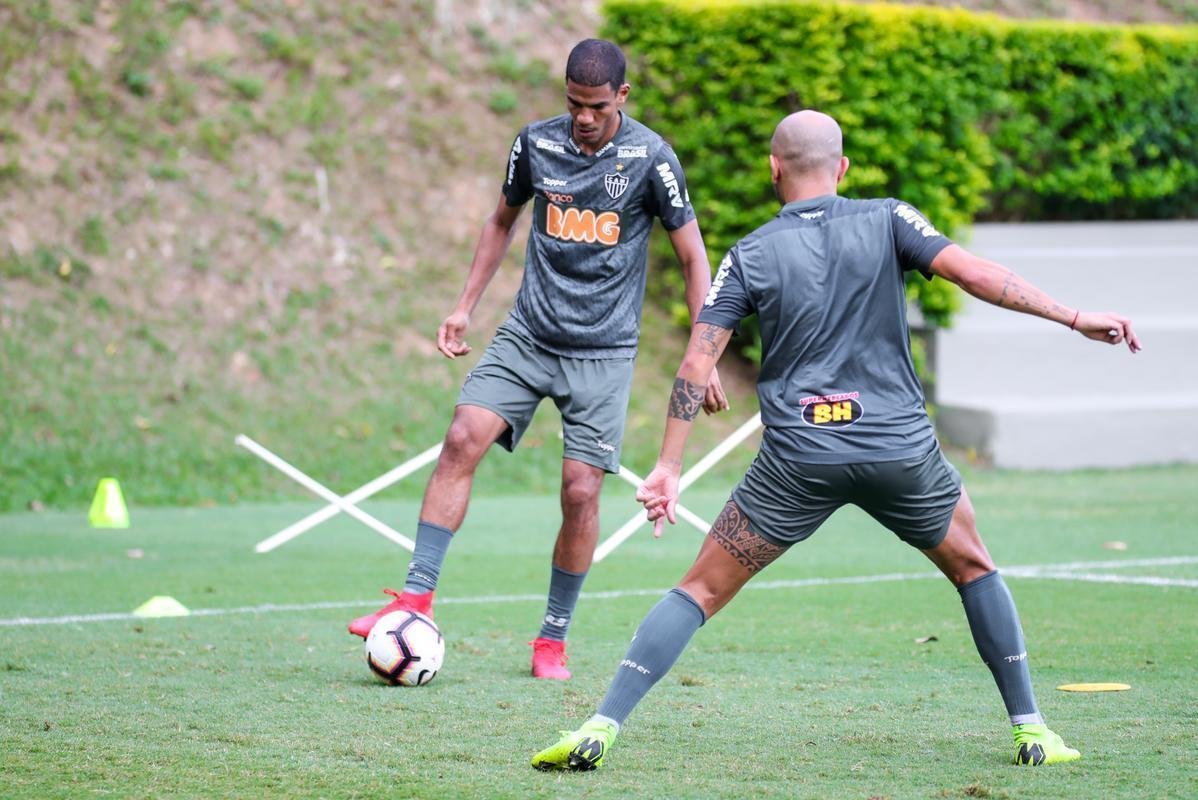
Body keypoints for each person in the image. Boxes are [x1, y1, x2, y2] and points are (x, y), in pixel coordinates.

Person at [532, 109, 1142, 768]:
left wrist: (669, 467)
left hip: (799, 460)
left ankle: (600, 726)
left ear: (774, 168)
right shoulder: (890, 219)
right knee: (975, 568)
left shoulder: (752, 252)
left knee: (699, 590)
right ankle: (1031, 731)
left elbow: (697, 361)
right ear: (842, 167)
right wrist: (1073, 317)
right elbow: (975, 274)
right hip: (897, 451)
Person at [347, 39, 729, 680]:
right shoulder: (535, 143)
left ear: (622, 97)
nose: (584, 117)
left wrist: (704, 351)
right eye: (575, 103)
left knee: (581, 490)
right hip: (528, 335)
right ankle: (414, 599)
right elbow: (501, 221)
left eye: (598, 106)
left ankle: (551, 639)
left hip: (603, 352)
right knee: (462, 436)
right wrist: (464, 307)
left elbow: (693, 257)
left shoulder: (651, 158)